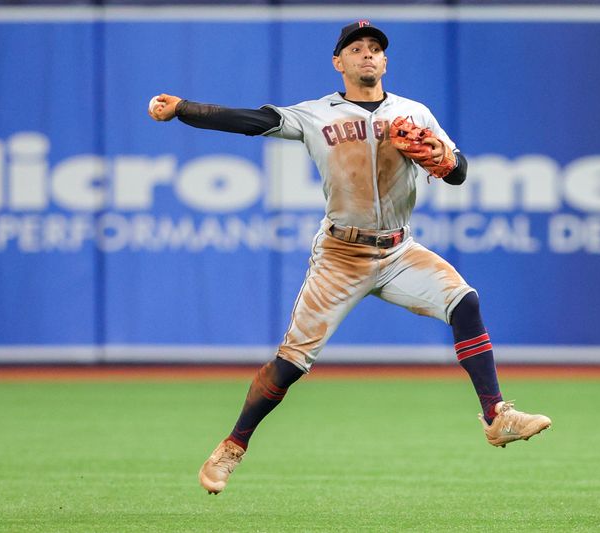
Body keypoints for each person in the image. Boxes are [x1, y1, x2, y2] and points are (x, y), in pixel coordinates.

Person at [149, 20, 551, 495]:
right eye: (356, 48)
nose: (367, 54)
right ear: (339, 62)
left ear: (385, 62)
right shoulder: (317, 114)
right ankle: (233, 446)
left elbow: (459, 172)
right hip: (341, 254)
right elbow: (253, 121)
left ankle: (496, 416)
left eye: (375, 48)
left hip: (399, 250)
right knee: (291, 363)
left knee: (464, 302)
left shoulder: (413, 112)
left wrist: (443, 155)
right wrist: (184, 109)